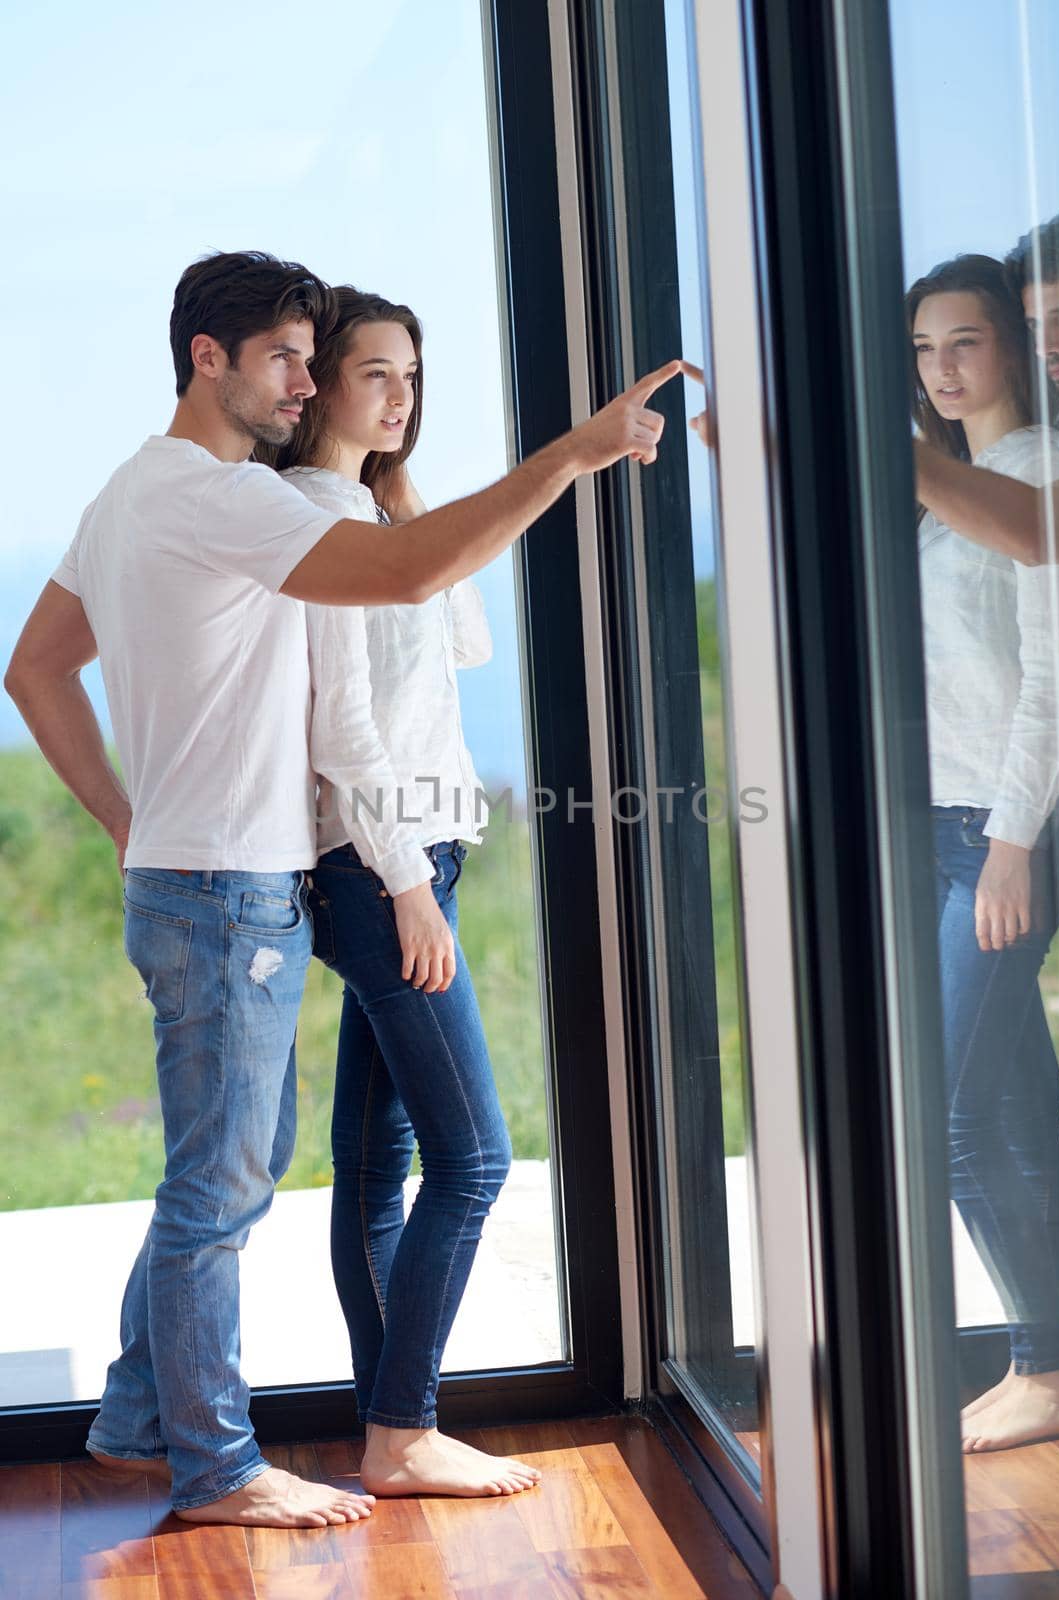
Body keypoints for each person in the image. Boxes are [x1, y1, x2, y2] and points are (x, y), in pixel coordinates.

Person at [4, 249, 681, 1526]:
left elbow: (35, 667)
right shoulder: (229, 499)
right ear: (206, 355)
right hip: (233, 884)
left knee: (231, 1167)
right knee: (224, 1188)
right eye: (286, 358)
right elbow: (407, 577)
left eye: (322, 361)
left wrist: (124, 819)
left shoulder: (130, 490)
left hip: (199, 875)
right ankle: (216, 1467)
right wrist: (573, 456)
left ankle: (145, 1414)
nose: (305, 384)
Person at [257, 286, 535, 1497]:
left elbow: (465, 641)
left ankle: (389, 1427)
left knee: (380, 1162)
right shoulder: (311, 521)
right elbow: (345, 731)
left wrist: (408, 501)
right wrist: (410, 887)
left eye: (413, 375)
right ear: (320, 385)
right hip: (384, 870)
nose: (403, 396)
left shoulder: (370, 508)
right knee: (474, 1159)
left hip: (415, 857)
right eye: (377, 372)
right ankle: (405, 1427)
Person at [907, 254, 1059, 1454]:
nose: (943, 370)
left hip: (1000, 837)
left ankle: (1043, 1368)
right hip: (950, 828)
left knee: (953, 1114)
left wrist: (1012, 847)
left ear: (1012, 345)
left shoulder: (1042, 476)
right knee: (1011, 1108)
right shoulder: (959, 484)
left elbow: (1050, 687)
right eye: (924, 351)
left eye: (964, 342)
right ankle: (1053, 1357)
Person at [914, 213, 1059, 563]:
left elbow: (1039, 532)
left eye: (965, 341)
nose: (1048, 345)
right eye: (1035, 326)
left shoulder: (1039, 467)